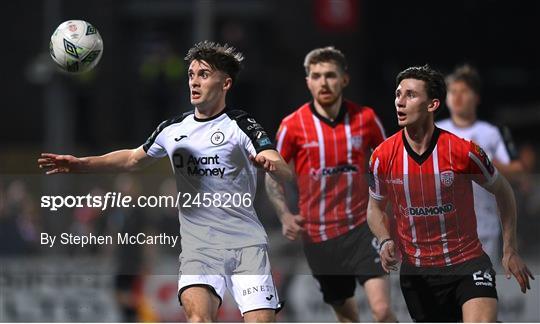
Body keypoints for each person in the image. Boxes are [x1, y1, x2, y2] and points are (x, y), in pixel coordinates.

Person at [38, 41, 293, 323]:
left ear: (225, 83)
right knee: (198, 318)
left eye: (204, 74)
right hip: (200, 249)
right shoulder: (173, 129)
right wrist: (81, 164)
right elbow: (132, 159)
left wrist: (271, 164)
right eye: (191, 74)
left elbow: (280, 166)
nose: (194, 81)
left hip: (246, 245)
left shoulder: (241, 125)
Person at [367, 65, 534, 322]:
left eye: (410, 95)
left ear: (432, 104)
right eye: (398, 94)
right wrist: (385, 239)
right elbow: (374, 208)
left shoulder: (463, 152)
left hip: (468, 262)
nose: (400, 101)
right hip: (418, 274)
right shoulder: (382, 156)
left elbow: (504, 191)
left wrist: (509, 248)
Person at [265, 47, 396, 322]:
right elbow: (272, 174)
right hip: (319, 239)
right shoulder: (293, 125)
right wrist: (284, 215)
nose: (323, 82)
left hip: (363, 229)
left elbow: (388, 166)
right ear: (308, 82)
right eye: (316, 76)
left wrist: (391, 212)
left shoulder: (366, 119)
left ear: (344, 80)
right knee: (348, 317)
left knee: (382, 311)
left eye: (330, 75)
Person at [436, 64, 530, 266]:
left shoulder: (493, 132)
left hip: (483, 230)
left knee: (482, 292)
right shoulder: (436, 132)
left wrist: (482, 159)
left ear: (476, 97)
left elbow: (517, 171)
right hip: (442, 231)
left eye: (464, 91)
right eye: (452, 92)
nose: (457, 97)